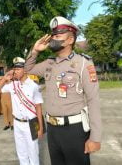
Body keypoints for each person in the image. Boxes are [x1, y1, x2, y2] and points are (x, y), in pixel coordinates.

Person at [24, 16, 102, 165]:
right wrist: (35, 51)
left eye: (58, 36)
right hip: (53, 130)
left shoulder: (83, 63)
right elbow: (27, 68)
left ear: (70, 40)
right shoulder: (49, 63)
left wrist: (95, 137)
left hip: (74, 130)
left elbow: (93, 100)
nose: (53, 38)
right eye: (53, 35)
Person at [0, 57, 44, 165]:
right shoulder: (13, 85)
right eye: (15, 69)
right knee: (21, 153)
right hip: (17, 123)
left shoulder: (34, 86)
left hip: (31, 123)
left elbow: (38, 108)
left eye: (18, 69)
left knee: (33, 152)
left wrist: (40, 128)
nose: (15, 71)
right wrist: (4, 78)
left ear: (25, 70)